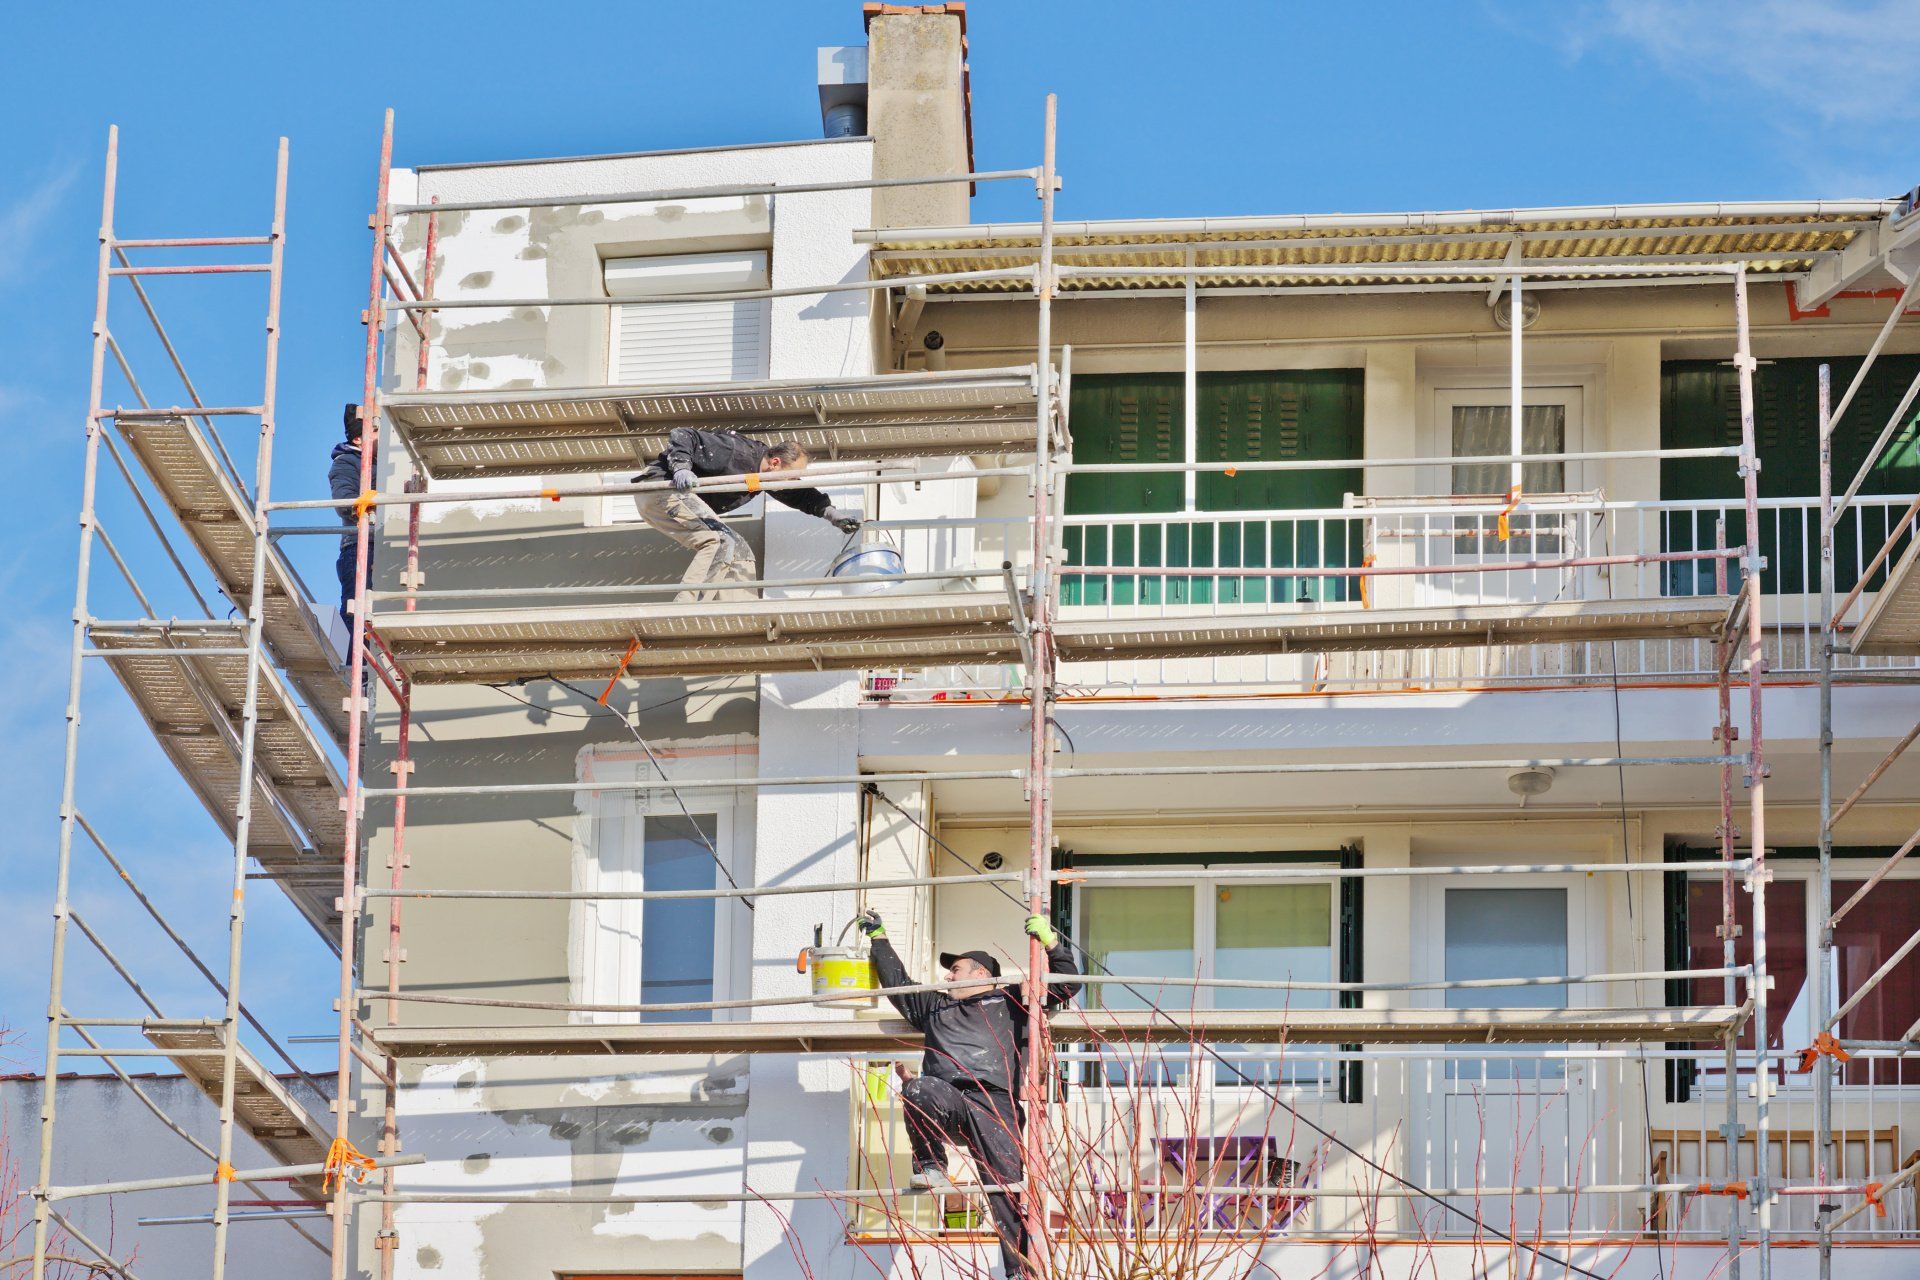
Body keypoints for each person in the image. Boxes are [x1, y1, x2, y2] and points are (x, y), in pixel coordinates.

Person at [858, 908, 1082, 1279]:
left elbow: (1067, 984)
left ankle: (1021, 1272)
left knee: (1008, 1189)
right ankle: (932, 1166)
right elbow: (896, 981)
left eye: (955, 970)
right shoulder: (934, 1005)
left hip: (995, 1104)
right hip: (948, 1100)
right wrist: (879, 938)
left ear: (981, 973)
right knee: (917, 1087)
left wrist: (1052, 942)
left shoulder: (1012, 1000)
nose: (947, 975)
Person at [633, 429, 859, 602]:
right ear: (775, 463)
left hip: (671, 501)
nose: (790, 483)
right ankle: (687, 607)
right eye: (790, 477)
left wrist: (834, 516)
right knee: (718, 540)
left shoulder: (762, 477)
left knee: (740, 551)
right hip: (661, 489)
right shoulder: (736, 451)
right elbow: (683, 434)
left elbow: (801, 495)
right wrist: (682, 467)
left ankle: (739, 611)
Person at [331, 404, 371, 621]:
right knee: (356, 617)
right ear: (358, 439)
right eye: (375, 431)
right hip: (358, 547)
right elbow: (344, 502)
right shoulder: (346, 462)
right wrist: (369, 502)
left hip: (380, 544)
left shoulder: (383, 463)